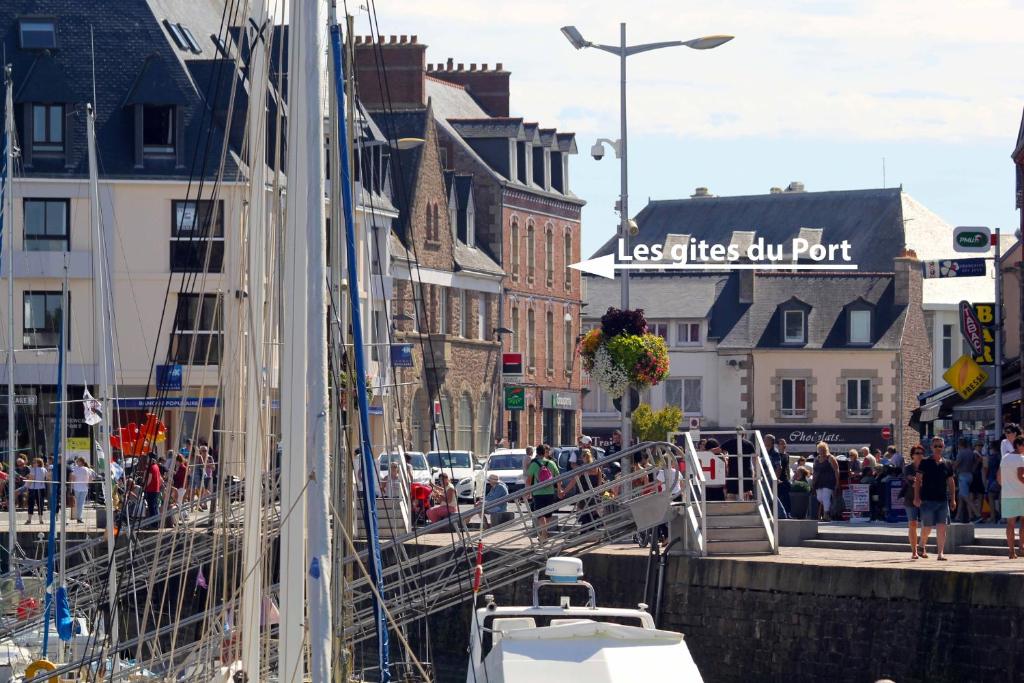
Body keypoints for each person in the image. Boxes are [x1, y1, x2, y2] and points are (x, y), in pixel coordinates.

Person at [914, 436, 956, 561]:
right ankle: (921, 544)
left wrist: (953, 498)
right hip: (927, 499)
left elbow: (951, 481)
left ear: (943, 447)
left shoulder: (947, 463)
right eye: (935, 446)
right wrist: (917, 497)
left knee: (942, 527)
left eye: (940, 446)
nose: (938, 448)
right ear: (931, 447)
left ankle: (940, 553)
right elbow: (918, 480)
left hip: (942, 500)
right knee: (927, 526)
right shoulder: (925, 462)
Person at [525, 444, 559, 542]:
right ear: (545, 453)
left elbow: (529, 479)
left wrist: (528, 492)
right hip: (550, 492)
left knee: (540, 514)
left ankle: (543, 533)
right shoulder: (551, 463)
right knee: (548, 514)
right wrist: (560, 489)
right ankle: (544, 532)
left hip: (537, 492)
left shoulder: (534, 464)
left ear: (537, 453)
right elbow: (558, 477)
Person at [997, 436, 1024, 559]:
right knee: (1023, 523)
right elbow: (1020, 476)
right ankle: (1022, 547)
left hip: (1007, 495)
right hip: (1021, 494)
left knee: (1010, 524)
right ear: (1019, 445)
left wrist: (1007, 487)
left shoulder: (1005, 457)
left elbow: (998, 477)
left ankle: (1011, 551)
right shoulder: (1021, 458)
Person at [902, 445, 925, 559]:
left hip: (925, 498)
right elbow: (909, 480)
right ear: (912, 455)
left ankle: (922, 547)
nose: (919, 455)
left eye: (921, 453)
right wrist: (914, 480)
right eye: (917, 453)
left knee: (926, 524)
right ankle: (914, 551)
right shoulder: (908, 468)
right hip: (910, 498)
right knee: (912, 524)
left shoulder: (927, 467)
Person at [764, 434, 790, 519]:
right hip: (765, 477)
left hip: (771, 478)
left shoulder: (774, 453)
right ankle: (782, 514)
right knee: (771, 496)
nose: (764, 441)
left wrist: (775, 479)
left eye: (766, 440)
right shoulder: (764, 451)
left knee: (767, 496)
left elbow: (779, 467)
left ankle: (779, 514)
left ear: (771, 442)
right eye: (764, 439)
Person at [812, 442, 840, 521]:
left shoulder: (830, 458)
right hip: (819, 482)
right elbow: (814, 471)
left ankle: (826, 515)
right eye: (819, 449)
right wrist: (813, 482)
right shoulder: (817, 459)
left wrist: (837, 482)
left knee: (825, 497)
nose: (821, 451)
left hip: (829, 481)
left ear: (826, 449)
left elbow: (836, 470)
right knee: (820, 498)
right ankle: (828, 510)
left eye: (823, 449)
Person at [953, 437, 978, 523]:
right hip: (970, 475)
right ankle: (958, 517)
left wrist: (951, 468)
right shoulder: (971, 452)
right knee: (961, 497)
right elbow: (976, 463)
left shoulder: (961, 453)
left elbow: (957, 463)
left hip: (962, 476)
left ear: (960, 445)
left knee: (966, 497)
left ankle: (977, 514)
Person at [69, 457, 96, 523]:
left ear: (80, 462)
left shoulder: (75, 469)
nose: (77, 462)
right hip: (84, 488)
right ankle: (79, 517)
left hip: (77, 487)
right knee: (81, 503)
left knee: (78, 503)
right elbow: (91, 478)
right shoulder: (87, 469)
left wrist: (71, 487)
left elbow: (73, 478)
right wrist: (88, 484)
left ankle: (78, 517)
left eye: (77, 461)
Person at [26, 457, 48, 524]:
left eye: (34, 462)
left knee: (31, 504)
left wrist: (27, 487)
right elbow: (47, 478)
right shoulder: (44, 469)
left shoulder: (33, 469)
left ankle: (29, 520)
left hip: (33, 489)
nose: (32, 464)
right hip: (41, 488)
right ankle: (40, 520)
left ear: (38, 463)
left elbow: (31, 479)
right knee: (40, 504)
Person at [142, 453, 164, 519]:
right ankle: (156, 523)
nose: (147, 460)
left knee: (151, 507)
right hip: (156, 490)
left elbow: (149, 479)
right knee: (155, 506)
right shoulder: (156, 466)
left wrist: (144, 487)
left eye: (148, 458)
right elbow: (161, 479)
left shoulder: (151, 467)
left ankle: (153, 524)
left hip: (151, 490)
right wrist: (157, 486)